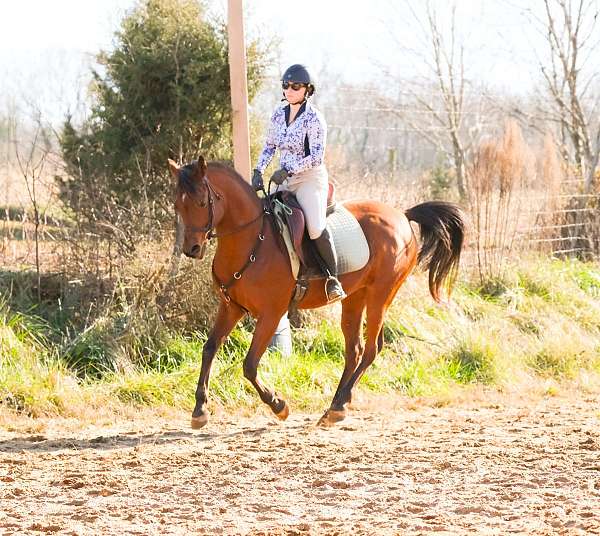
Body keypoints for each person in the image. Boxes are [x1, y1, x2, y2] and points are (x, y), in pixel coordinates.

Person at [251, 64, 346, 302]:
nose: (289, 90)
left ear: (307, 90)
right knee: (266, 219)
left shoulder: (315, 119)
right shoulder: (277, 114)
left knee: (314, 227)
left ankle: (333, 279)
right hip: (284, 178)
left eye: (295, 86)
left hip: (309, 179)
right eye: (286, 85)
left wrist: (288, 169)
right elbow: (270, 146)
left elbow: (316, 157)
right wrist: (258, 170)